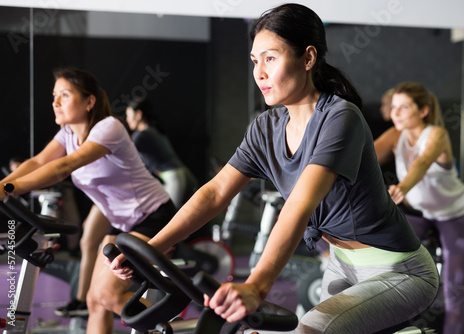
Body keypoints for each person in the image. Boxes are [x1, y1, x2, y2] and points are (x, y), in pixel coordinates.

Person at [111, 4, 439, 333]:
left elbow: (300, 203)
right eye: (255, 61)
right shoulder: (266, 127)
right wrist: (153, 248)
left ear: (308, 58)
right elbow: (215, 193)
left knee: (310, 329)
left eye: (270, 58)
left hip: (399, 270)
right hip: (342, 264)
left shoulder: (340, 118)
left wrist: (256, 287)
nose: (260, 73)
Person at [0, 67, 176, 334]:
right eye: (54, 96)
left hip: (154, 216)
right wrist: (2, 185)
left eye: (64, 95)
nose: (55, 102)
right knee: (95, 300)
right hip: (121, 224)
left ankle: (166, 321)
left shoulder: (109, 127)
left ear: (89, 101)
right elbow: (37, 162)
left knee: (107, 296)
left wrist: (10, 188)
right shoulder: (68, 134)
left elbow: (65, 166)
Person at [374, 81, 464, 334]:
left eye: (404, 107)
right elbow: (363, 158)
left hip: (456, 216)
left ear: (422, 111)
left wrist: (403, 187)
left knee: (452, 288)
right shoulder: (395, 135)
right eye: (394, 107)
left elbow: (421, 164)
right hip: (421, 215)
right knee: (388, 264)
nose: (395, 113)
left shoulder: (436, 134)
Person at [125, 97, 198, 209]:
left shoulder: (141, 136)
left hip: (175, 178)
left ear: (138, 115)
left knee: (169, 220)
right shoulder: (154, 130)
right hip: (183, 175)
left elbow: (123, 152)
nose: (127, 120)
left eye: (129, 116)